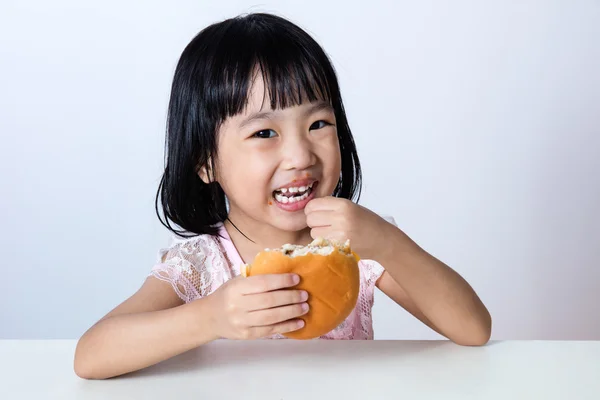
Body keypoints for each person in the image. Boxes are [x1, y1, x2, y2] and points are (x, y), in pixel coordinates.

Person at [74, 12, 492, 380]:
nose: (299, 156)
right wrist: (211, 317)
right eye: (264, 133)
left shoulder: (356, 249)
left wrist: (388, 242)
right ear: (206, 163)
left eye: (318, 124)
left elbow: (473, 330)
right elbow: (91, 356)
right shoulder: (203, 264)